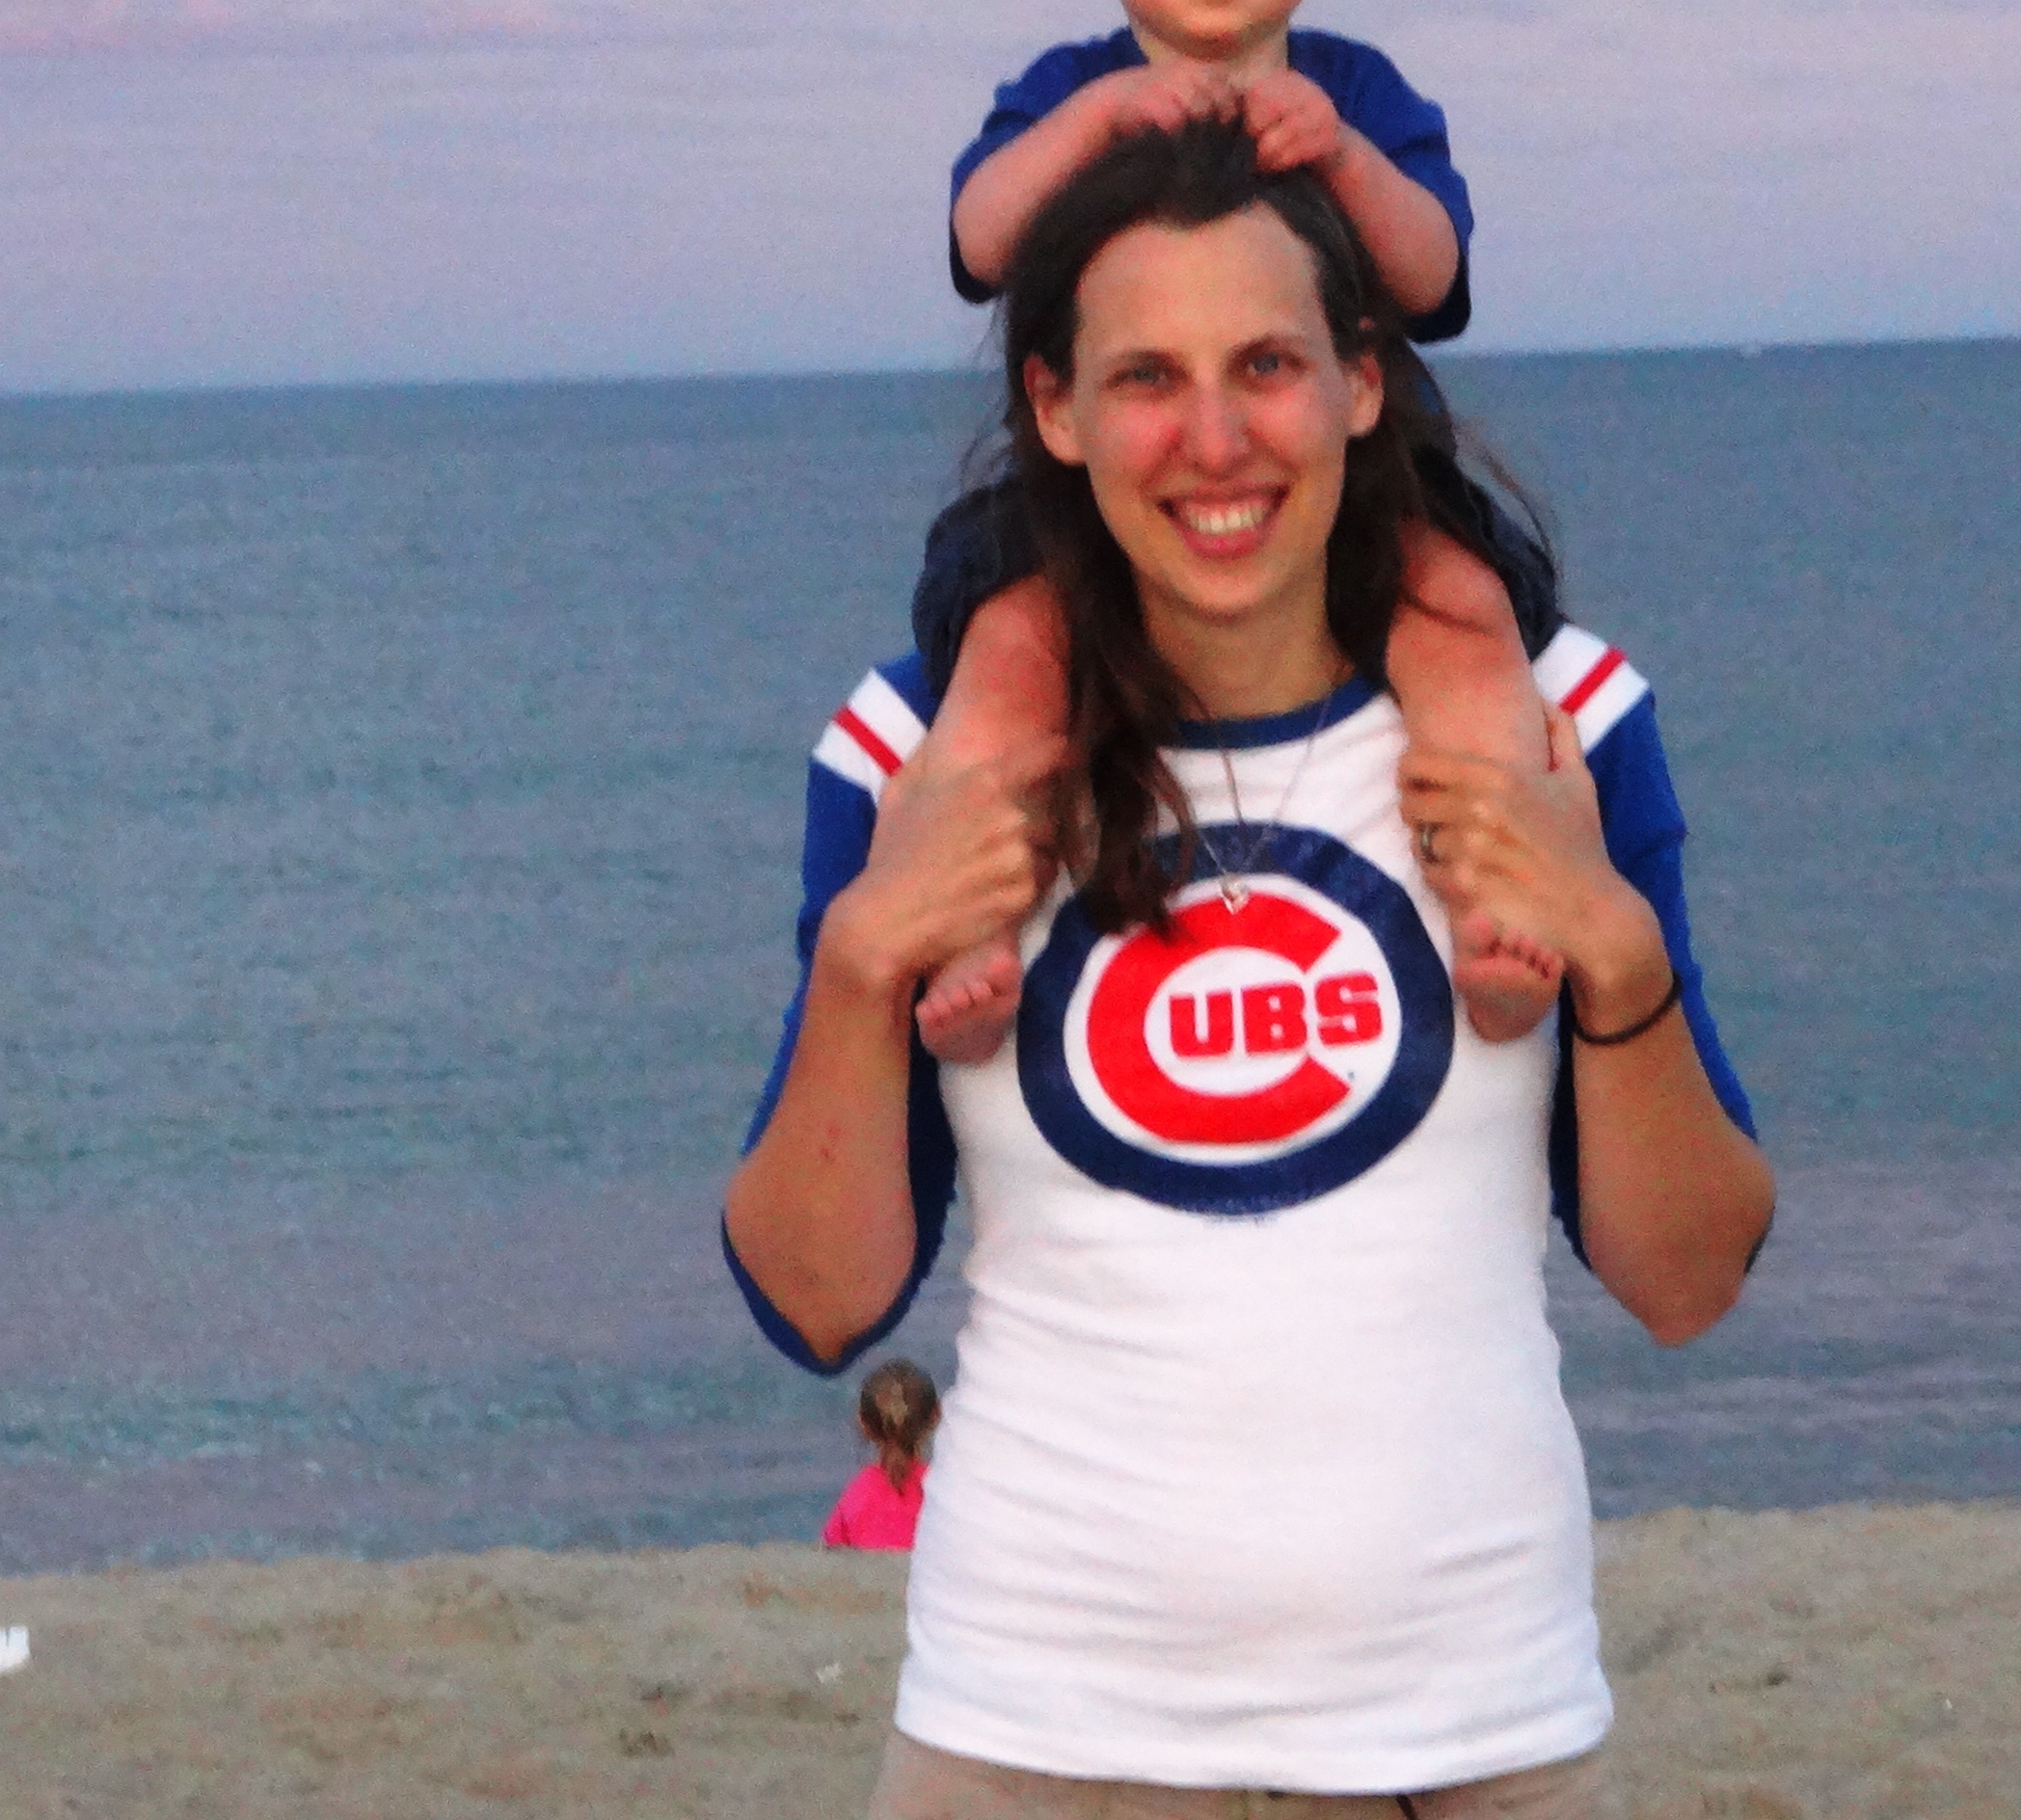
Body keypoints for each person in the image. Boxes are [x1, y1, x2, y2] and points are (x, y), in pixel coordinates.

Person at [725, 118, 1772, 1816]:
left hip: (1471, 1736)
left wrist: (1612, 947)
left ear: (1361, 381)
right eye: (1146, 376)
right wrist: (864, 956)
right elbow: (815, 1299)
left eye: (1267, 365)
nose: (1214, 441)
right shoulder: (920, 750)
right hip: (1028, 1734)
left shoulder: (1553, 722)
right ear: (1056, 408)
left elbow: (1686, 1278)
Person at [918, 0, 1555, 1067]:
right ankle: (966, 922)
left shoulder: (1357, 93)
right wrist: (1092, 122)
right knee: (1003, 665)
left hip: (1361, 465)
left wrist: (1342, 156)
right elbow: (976, 239)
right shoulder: (1062, 90)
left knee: (1467, 625)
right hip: (1095, 484)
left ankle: (1502, 908)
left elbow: (1434, 273)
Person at [824, 1358, 941, 1551]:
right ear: (936, 1415)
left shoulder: (856, 1495)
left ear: (862, 1422)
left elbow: (829, 1556)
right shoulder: (948, 1492)